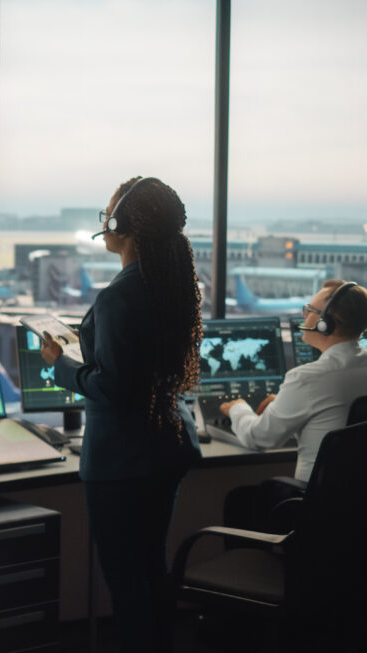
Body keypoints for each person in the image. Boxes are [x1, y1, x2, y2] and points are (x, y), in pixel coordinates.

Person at [40, 176, 202, 653]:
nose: (102, 222)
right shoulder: (172, 284)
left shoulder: (118, 297)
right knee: (151, 570)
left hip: (122, 461)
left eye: (107, 213)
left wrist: (60, 365)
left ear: (120, 225)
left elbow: (111, 386)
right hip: (166, 446)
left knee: (128, 584)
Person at [221, 280, 367, 482]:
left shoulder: (307, 378)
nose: (304, 315)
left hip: (314, 502)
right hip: (357, 504)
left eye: (310, 309)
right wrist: (283, 403)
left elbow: (259, 438)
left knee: (238, 500)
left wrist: (237, 408)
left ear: (327, 322)